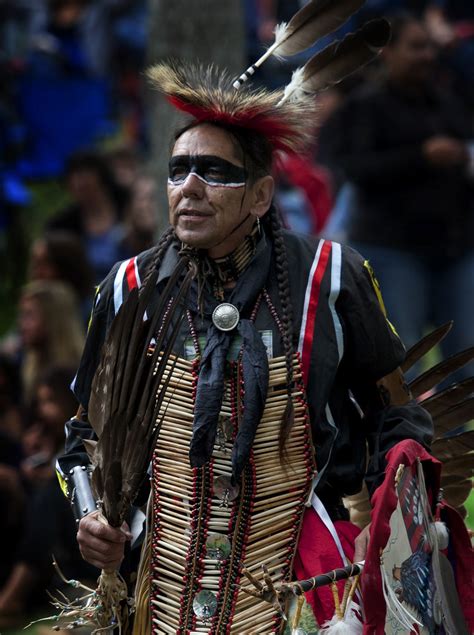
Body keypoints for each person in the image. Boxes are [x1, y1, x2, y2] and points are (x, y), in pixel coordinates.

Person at [57, 62, 438, 632]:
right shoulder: (129, 289)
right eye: (178, 170)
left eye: (214, 172)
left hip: (303, 581)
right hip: (157, 588)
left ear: (261, 196)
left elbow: (398, 414)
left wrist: (395, 520)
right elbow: (82, 433)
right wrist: (92, 515)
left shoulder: (329, 280)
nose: (189, 187)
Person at [318, 12, 474, 383]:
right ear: (388, 52)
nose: (426, 56)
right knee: (402, 361)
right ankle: (407, 441)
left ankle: (456, 440)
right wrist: (420, 156)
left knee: (464, 359)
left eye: (430, 47)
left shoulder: (447, 100)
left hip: (455, 249)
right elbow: (352, 168)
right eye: (416, 47)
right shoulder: (365, 107)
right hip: (392, 251)